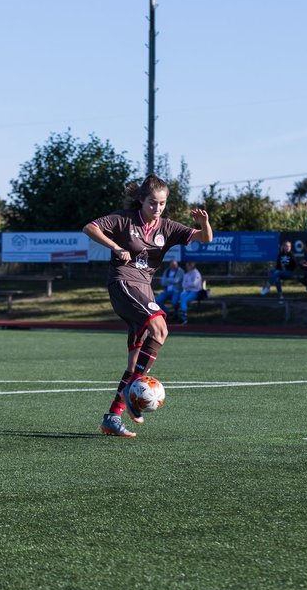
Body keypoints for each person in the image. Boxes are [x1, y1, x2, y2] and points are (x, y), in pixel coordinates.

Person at [83, 176, 213, 437]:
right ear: (141, 200)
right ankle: (129, 390)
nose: (157, 208)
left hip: (144, 288)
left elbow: (205, 239)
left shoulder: (167, 227)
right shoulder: (124, 219)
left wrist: (205, 224)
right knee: (160, 329)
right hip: (123, 283)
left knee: (135, 364)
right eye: (153, 203)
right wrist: (116, 246)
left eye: (162, 204)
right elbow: (90, 228)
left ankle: (112, 417)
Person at [175, 260, 204, 324]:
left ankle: (184, 317)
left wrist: (187, 284)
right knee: (182, 296)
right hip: (188, 291)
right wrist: (189, 285)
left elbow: (195, 284)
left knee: (184, 300)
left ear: (191, 266)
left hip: (196, 292)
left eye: (187, 266)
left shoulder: (196, 273)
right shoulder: (187, 274)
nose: (186, 267)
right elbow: (183, 285)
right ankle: (183, 315)